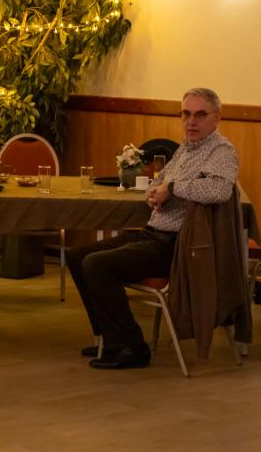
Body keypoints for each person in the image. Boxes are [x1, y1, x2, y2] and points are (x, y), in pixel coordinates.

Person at [66, 87, 239, 370]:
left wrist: (172, 189)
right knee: (77, 257)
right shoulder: (186, 148)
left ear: (216, 117)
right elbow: (160, 180)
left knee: (97, 265)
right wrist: (155, 193)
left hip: (178, 246)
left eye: (200, 115)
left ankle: (133, 348)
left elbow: (219, 190)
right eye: (186, 114)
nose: (191, 122)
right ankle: (110, 338)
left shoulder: (221, 151)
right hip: (152, 234)